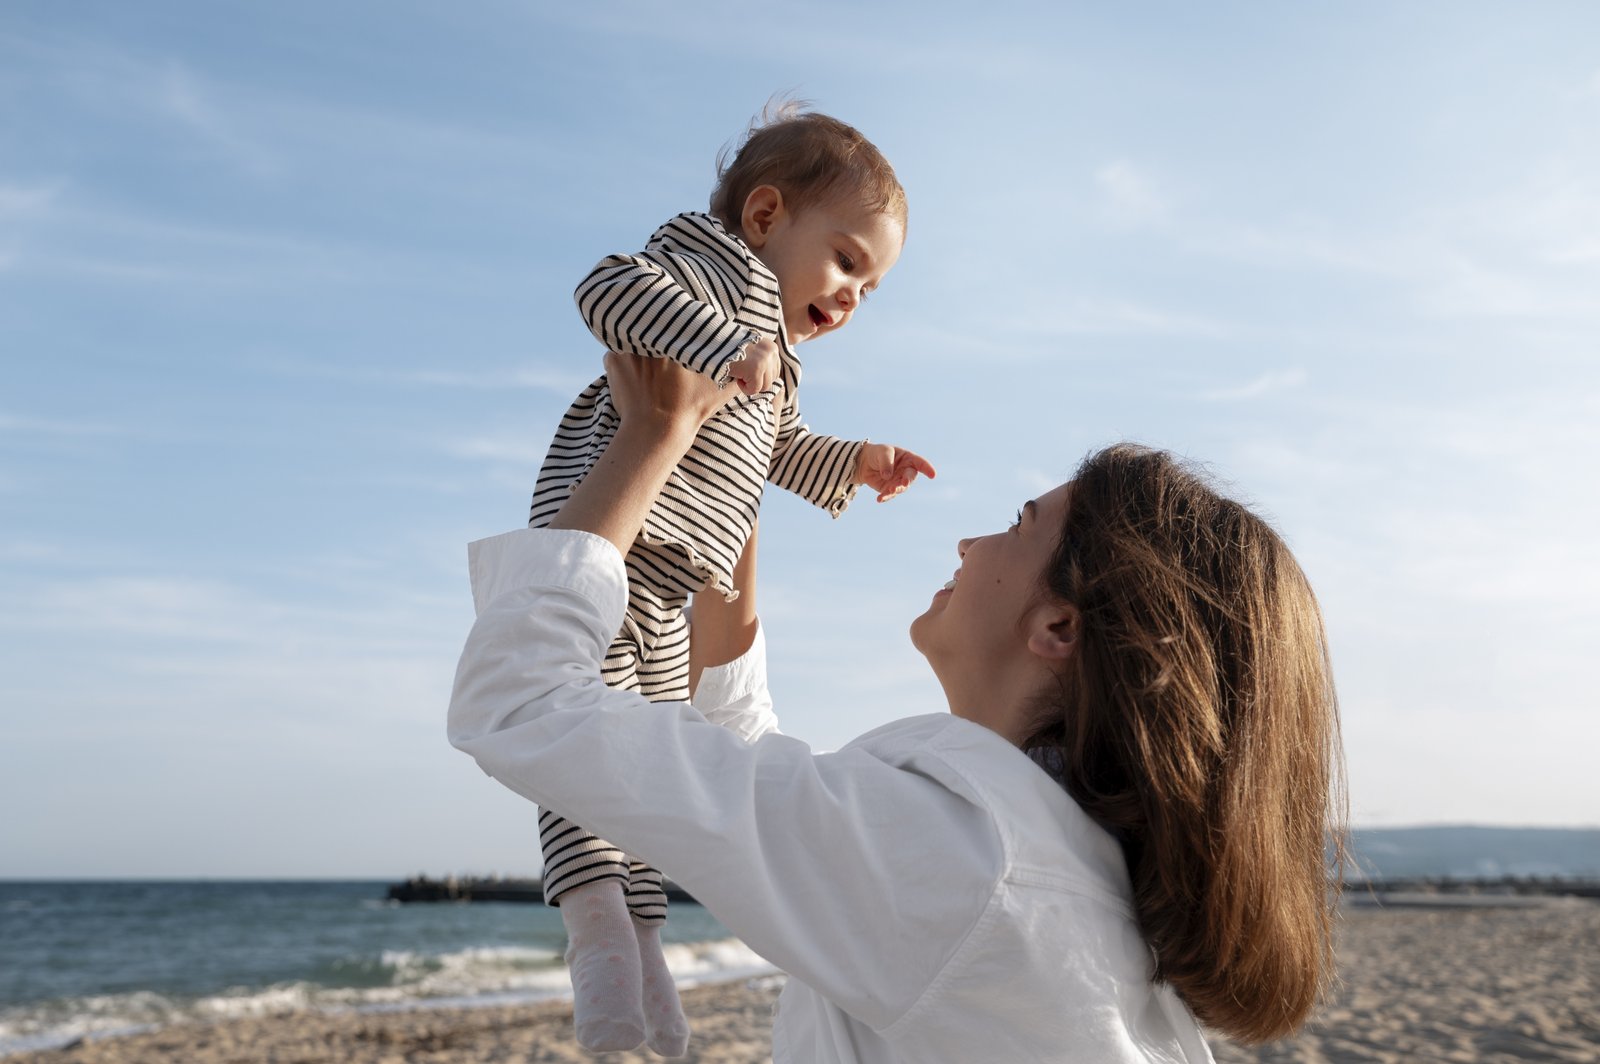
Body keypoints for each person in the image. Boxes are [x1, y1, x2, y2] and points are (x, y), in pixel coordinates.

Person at [451, 353, 1347, 1062]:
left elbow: (525, 699)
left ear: (1060, 625)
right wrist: (733, 481)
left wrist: (652, 432)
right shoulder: (1045, 860)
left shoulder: (957, 858)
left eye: (1019, 522)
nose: (970, 540)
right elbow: (762, 773)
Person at [525, 101, 935, 1054]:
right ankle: (598, 952)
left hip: (674, 591)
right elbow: (604, 287)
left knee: (646, 774)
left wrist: (852, 462)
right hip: (608, 548)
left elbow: (778, 448)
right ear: (762, 218)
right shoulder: (707, 269)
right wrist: (716, 346)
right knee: (580, 755)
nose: (853, 297)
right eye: (846, 262)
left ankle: (645, 970)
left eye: (871, 287)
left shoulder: (779, 362)